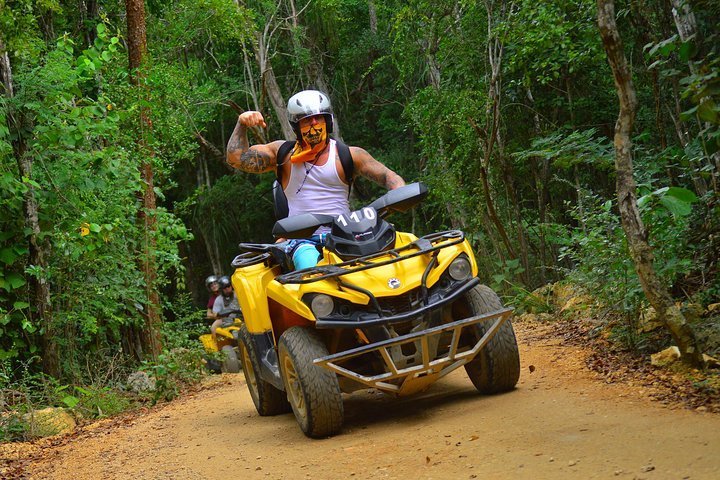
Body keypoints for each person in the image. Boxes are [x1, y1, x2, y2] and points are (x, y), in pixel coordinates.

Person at [226, 89, 405, 269]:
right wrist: (242, 123)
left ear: (328, 121)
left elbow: (391, 178)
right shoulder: (282, 155)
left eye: (318, 118)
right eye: (306, 120)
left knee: (391, 259)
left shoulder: (349, 155)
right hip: (301, 240)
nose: (313, 123)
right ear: (296, 126)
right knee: (309, 265)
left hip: (347, 236)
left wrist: (400, 195)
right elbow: (235, 158)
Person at [211, 276, 240, 342]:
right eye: (225, 287)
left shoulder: (238, 294)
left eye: (228, 286)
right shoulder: (218, 299)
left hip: (243, 319)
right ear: (222, 289)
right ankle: (216, 347)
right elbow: (215, 314)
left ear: (231, 286)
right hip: (228, 322)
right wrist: (221, 314)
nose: (227, 288)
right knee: (236, 336)